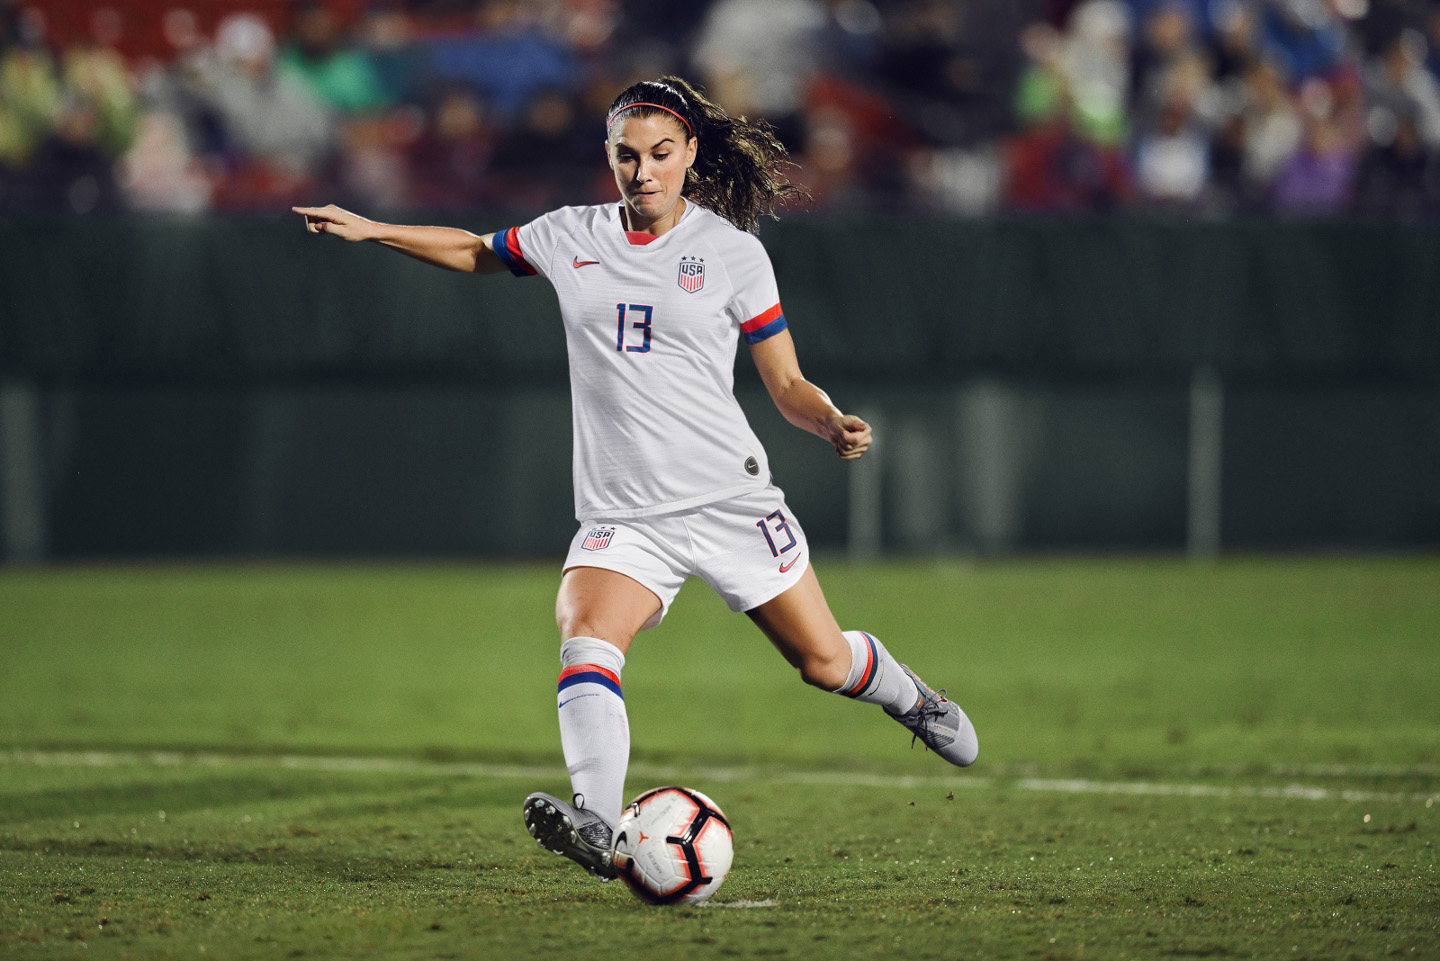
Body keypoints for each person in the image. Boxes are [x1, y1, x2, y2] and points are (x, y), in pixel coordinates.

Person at [293, 76, 978, 884]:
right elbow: (479, 250)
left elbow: (787, 383)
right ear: (609, 158)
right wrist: (375, 230)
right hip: (626, 512)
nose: (643, 171)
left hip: (729, 498)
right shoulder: (569, 234)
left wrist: (827, 419)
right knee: (585, 638)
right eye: (627, 155)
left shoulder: (732, 253)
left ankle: (912, 698)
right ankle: (596, 818)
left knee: (824, 664)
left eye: (660, 154)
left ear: (690, 153)